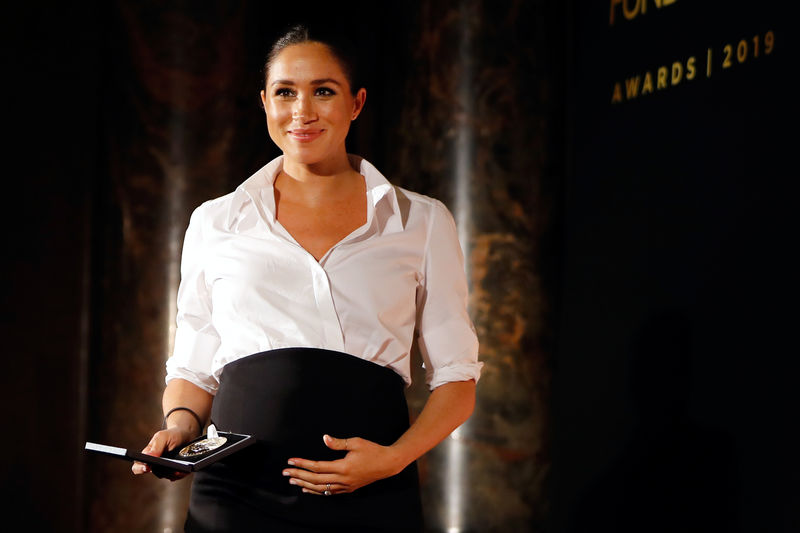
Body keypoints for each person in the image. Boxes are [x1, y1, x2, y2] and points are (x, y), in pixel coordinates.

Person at [132, 23, 482, 532]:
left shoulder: (420, 221)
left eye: (323, 91)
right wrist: (179, 429)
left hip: (369, 487)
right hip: (235, 490)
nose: (302, 111)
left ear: (356, 104)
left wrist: (392, 460)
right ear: (264, 103)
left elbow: (457, 378)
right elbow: (195, 364)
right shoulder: (216, 221)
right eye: (285, 92)